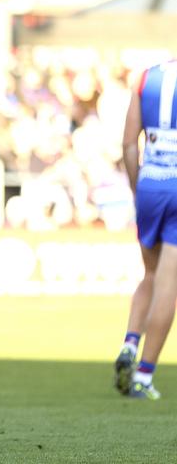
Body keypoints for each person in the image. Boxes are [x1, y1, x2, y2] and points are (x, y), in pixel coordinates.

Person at [114, 59, 177, 400]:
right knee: (170, 283)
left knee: (150, 274)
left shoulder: (146, 77)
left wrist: (138, 189)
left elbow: (127, 144)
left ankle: (130, 342)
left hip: (150, 183)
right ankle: (143, 375)